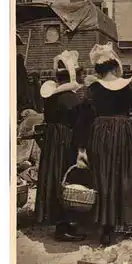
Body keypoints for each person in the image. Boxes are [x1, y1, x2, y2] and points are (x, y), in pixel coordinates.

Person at [75, 42, 132, 246]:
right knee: (129, 176)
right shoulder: (130, 87)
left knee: (105, 176)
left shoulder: (92, 90)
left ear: (98, 69)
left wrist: (81, 148)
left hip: (101, 135)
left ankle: (106, 228)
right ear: (115, 65)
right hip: (126, 133)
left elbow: (83, 120)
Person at [35, 50, 86, 242]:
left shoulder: (50, 99)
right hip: (65, 139)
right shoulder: (73, 100)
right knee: (67, 178)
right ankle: (65, 225)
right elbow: (79, 124)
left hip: (52, 140)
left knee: (53, 176)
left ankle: (57, 220)